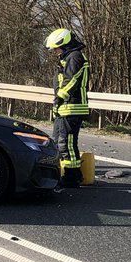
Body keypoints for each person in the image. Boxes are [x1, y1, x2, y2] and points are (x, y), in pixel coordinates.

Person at [47, 28, 90, 188]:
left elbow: (71, 81)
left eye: (56, 48)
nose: (55, 52)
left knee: (67, 143)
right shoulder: (68, 58)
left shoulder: (75, 57)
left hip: (73, 107)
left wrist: (59, 98)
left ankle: (72, 177)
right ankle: (63, 173)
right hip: (64, 108)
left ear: (64, 44)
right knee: (58, 142)